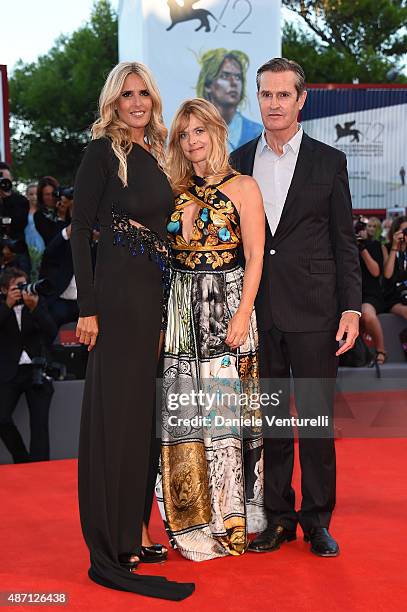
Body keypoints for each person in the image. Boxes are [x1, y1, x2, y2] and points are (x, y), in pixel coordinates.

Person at [70, 61, 194, 600]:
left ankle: (136, 530)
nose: (137, 102)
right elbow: (79, 232)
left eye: (144, 93)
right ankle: (113, 540)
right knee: (119, 417)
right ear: (113, 102)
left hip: (155, 297)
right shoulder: (103, 152)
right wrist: (88, 308)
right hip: (118, 300)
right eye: (127, 95)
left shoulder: (156, 152)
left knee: (144, 418)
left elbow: (158, 219)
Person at [230, 58, 361, 557]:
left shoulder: (329, 162)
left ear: (301, 100)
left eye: (284, 95)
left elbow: (343, 240)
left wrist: (352, 308)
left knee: (315, 422)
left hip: (316, 310)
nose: (275, 103)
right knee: (270, 424)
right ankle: (278, 518)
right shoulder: (239, 160)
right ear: (257, 99)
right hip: (259, 311)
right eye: (266, 94)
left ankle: (318, 520)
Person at [159, 98, 266, 560]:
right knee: (186, 416)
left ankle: (233, 518)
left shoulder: (244, 186)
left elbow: (257, 256)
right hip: (181, 306)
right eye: (183, 134)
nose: (192, 140)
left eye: (199, 130)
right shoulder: (173, 188)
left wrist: (243, 313)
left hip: (227, 304)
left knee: (225, 418)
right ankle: (192, 520)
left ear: (217, 132)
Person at [0, 267, 56, 463]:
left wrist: (35, 307)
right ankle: (22, 460)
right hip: (9, 373)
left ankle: (40, 468)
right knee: (2, 419)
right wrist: (7, 306)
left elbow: (51, 333)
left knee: (39, 425)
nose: (24, 290)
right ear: (4, 289)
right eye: (18, 287)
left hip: (37, 370)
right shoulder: (2, 305)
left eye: (25, 285)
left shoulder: (36, 303)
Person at [197, 49, 262, 152]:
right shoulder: (192, 132)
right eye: (225, 76)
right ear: (208, 85)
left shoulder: (258, 133)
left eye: (238, 77)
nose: (233, 82)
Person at [356, 218, 387, 364]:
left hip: (369, 294)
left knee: (367, 315)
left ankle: (381, 350)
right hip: (349, 292)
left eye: (374, 226)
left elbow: (375, 272)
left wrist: (362, 249)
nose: (370, 229)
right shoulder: (343, 245)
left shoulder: (375, 245)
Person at [383, 215, 407, 320]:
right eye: (404, 230)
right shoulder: (386, 248)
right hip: (393, 296)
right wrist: (394, 247)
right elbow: (387, 274)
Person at [24, 183, 45, 281]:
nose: (34, 197)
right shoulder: (23, 211)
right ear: (27, 195)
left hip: (41, 245)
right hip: (27, 245)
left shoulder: (43, 211)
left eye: (36, 194)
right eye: (31, 194)